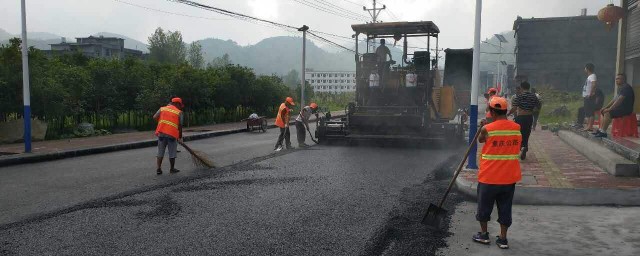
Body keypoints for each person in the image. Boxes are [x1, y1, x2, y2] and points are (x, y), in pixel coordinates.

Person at [473, 96, 522, 250]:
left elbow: (481, 140)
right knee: (505, 208)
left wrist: (482, 127)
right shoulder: (516, 127)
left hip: (489, 177)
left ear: (493, 113)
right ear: (505, 111)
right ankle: (503, 239)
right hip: (509, 177)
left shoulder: (487, 129)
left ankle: (484, 234)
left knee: (484, 207)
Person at [593, 74, 635, 138]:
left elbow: (619, 100)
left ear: (623, 80)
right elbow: (614, 99)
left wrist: (610, 109)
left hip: (626, 109)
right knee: (603, 111)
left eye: (618, 79)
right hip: (620, 108)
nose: (616, 80)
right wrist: (606, 107)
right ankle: (601, 130)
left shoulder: (626, 88)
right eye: (616, 79)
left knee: (607, 113)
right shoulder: (621, 88)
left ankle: (603, 132)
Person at [508, 82, 539, 160]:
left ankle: (521, 147)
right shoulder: (534, 96)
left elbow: (514, 108)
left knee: (519, 133)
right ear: (529, 87)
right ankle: (524, 146)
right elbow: (538, 106)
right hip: (529, 117)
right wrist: (532, 110)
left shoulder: (519, 96)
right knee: (527, 133)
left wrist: (508, 114)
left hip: (520, 117)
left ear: (521, 88)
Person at [153, 97, 184, 175]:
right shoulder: (179, 112)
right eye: (180, 105)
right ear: (177, 104)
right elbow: (180, 126)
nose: (180, 107)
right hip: (172, 135)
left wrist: (161, 122)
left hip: (161, 133)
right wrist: (180, 137)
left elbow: (154, 117)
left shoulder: (162, 109)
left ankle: (158, 169)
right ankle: (172, 169)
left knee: (160, 152)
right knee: (172, 152)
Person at [582, 63, 598, 131]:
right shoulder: (590, 76)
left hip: (589, 97)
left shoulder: (592, 76)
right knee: (588, 112)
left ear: (587, 69)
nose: (584, 69)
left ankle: (590, 126)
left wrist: (591, 94)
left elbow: (594, 85)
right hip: (587, 97)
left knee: (591, 112)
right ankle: (589, 126)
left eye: (585, 68)